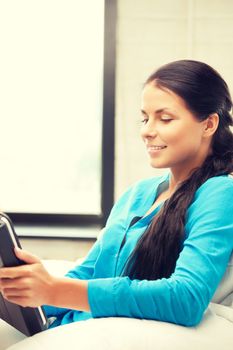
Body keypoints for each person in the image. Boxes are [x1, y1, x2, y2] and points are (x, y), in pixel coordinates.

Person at [0, 59, 233, 329]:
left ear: (209, 125)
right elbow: (90, 271)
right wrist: (26, 291)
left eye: (165, 118)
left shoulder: (220, 193)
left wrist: (55, 290)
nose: (147, 131)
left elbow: (186, 299)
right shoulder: (138, 193)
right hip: (73, 328)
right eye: (145, 118)